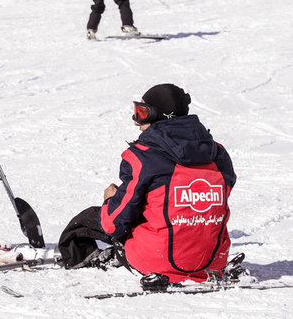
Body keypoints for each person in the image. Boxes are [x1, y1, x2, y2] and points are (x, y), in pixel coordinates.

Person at [58, 84, 236, 283]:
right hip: (213, 262)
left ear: (157, 115)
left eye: (141, 112)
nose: (136, 122)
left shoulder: (143, 157)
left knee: (91, 219)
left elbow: (113, 224)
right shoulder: (218, 155)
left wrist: (111, 200)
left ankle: (83, 258)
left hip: (158, 262)